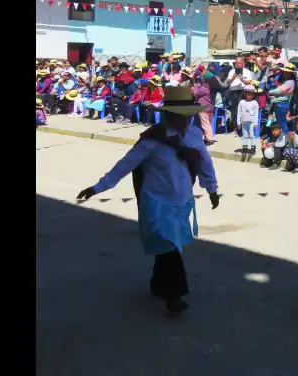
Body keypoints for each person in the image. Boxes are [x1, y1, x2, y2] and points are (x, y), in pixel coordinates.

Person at [76, 86, 220, 316]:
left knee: (168, 247)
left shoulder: (194, 136)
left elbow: (205, 164)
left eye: (188, 115)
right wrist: (98, 187)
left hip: (182, 202)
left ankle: (158, 284)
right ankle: (175, 296)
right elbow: (125, 165)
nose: (185, 120)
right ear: (169, 115)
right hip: (156, 201)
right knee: (170, 248)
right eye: (180, 115)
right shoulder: (152, 139)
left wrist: (212, 189)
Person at [224, 56, 254, 132]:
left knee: (242, 109)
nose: (238, 65)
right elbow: (228, 82)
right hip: (233, 91)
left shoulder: (247, 72)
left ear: (243, 63)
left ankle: (241, 127)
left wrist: (242, 79)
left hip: (242, 91)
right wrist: (233, 78)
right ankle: (235, 126)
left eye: (239, 63)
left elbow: (249, 82)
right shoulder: (231, 71)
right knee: (234, 108)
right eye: (236, 63)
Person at [236, 85, 260, 155]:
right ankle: (244, 147)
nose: (250, 95)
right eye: (248, 93)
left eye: (252, 94)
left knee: (252, 134)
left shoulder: (255, 103)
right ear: (245, 94)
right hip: (244, 121)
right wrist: (238, 122)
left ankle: (253, 147)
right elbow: (239, 113)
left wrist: (256, 122)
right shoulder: (241, 102)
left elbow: (256, 114)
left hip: (252, 121)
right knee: (244, 135)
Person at [193, 73, 216, 144]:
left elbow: (195, 93)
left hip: (204, 109)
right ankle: (206, 138)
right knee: (208, 124)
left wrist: (196, 86)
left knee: (205, 124)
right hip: (210, 108)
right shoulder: (210, 88)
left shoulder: (203, 88)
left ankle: (209, 139)